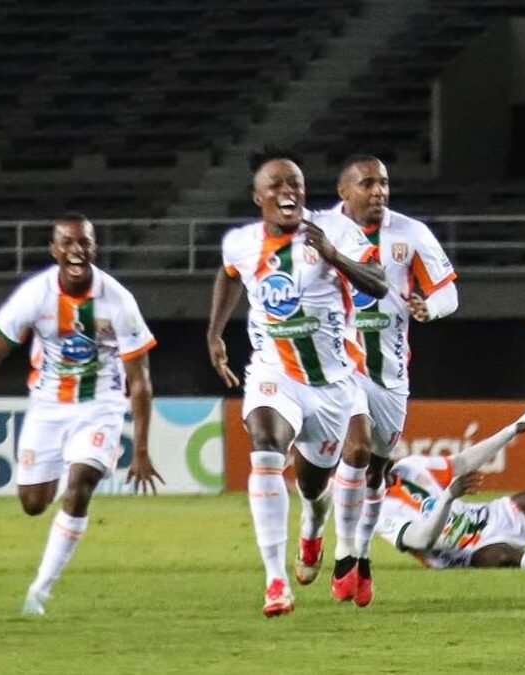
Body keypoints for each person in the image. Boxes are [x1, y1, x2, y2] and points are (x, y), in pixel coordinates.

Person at [0, 214, 162, 615]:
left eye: (85, 242)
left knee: (80, 485)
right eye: (68, 243)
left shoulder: (118, 301)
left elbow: (140, 380)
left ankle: (39, 592)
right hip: (48, 406)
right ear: (54, 250)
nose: (77, 250)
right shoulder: (35, 295)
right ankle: (67, 469)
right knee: (33, 503)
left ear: (95, 248)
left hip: (101, 405)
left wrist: (142, 450)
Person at [206, 148, 388, 617]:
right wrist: (215, 332)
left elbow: (378, 283)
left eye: (295, 185)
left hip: (331, 384)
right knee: (266, 447)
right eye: (277, 185)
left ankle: (313, 525)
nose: (288, 192)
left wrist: (333, 255)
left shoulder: (336, 230)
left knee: (312, 484)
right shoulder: (240, 243)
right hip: (274, 374)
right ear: (258, 197)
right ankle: (275, 581)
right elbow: (229, 275)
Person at [293, 155, 459, 607]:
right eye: (367, 183)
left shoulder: (411, 234)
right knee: (354, 451)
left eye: (383, 183)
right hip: (336, 365)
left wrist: (431, 307)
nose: (378, 191)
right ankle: (335, 544)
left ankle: (361, 555)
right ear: (344, 191)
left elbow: (448, 291)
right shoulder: (317, 228)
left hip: (389, 372)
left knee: (375, 474)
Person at [377, 412, 525, 570]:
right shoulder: (376, 510)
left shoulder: (409, 466)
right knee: (502, 557)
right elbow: (424, 540)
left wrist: (512, 429)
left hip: (490, 516)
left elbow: (464, 462)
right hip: (464, 554)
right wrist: (449, 497)